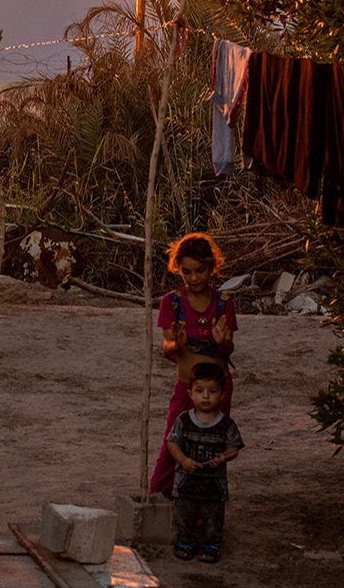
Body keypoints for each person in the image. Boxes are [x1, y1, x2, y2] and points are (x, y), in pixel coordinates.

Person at [150, 232, 237, 498]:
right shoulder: (171, 303)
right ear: (179, 270)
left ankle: (205, 506)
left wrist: (221, 342)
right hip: (188, 387)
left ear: (212, 268)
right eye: (187, 271)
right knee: (172, 444)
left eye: (200, 270)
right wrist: (176, 343)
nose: (194, 277)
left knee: (211, 448)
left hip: (217, 388)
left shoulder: (223, 303)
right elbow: (168, 350)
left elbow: (228, 349)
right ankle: (159, 500)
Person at [166, 362, 244, 563]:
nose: (206, 396)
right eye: (200, 391)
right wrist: (183, 460)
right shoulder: (183, 420)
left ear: (223, 395)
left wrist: (224, 456)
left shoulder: (227, 424)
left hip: (214, 484)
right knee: (185, 514)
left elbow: (234, 448)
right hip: (186, 481)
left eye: (212, 391)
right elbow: (172, 443)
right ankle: (186, 541)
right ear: (191, 394)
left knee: (213, 516)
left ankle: (212, 544)